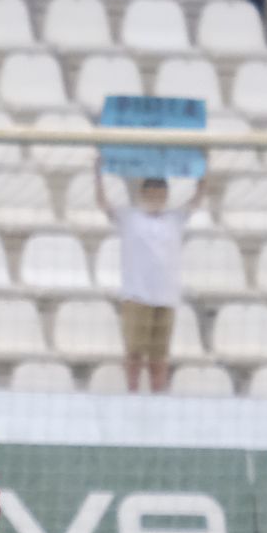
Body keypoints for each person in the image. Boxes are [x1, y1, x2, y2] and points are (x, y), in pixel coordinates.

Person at [94, 169, 204, 394]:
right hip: (137, 295)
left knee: (159, 356)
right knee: (134, 352)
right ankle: (132, 392)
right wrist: (97, 174)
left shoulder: (175, 218)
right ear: (143, 194)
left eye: (160, 193)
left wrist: (203, 172)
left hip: (165, 296)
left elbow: (197, 198)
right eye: (152, 193)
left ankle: (157, 395)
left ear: (166, 196)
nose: (156, 198)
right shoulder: (130, 217)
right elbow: (103, 203)